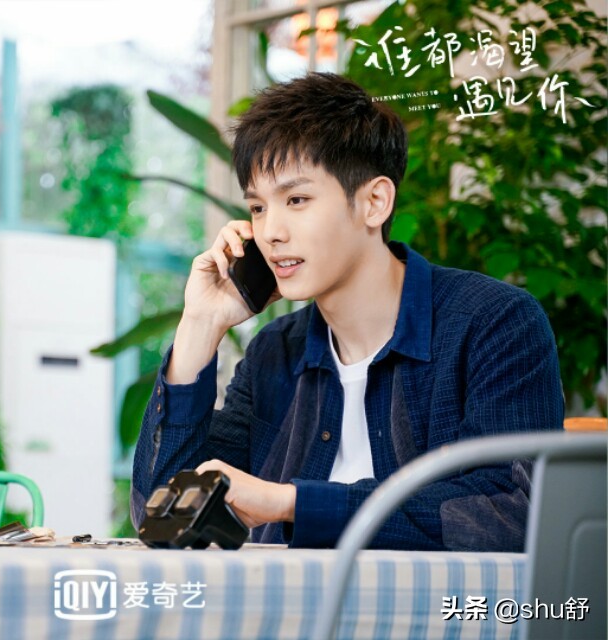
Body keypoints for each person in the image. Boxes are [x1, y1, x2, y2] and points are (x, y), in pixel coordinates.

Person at [130, 72, 564, 551]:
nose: (270, 232)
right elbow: (161, 516)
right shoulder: (277, 352)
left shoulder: (494, 324)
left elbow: (509, 512)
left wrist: (292, 503)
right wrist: (201, 323)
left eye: (296, 200)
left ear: (374, 202)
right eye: (257, 208)